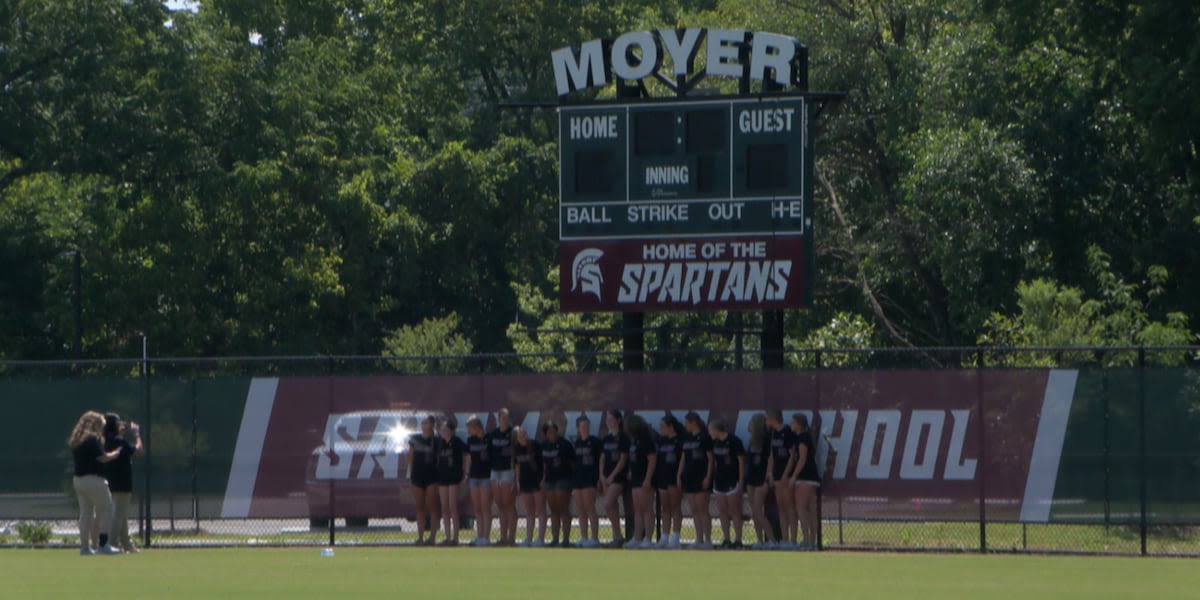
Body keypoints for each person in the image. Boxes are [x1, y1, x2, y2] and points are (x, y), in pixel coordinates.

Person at [69, 411, 122, 555]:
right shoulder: (92, 439)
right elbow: (102, 457)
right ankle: (103, 545)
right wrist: (115, 454)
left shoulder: (77, 439)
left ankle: (85, 548)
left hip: (78, 481)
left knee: (85, 513)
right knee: (107, 509)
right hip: (94, 479)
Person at [102, 413, 142, 553]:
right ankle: (112, 543)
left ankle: (126, 543)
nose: (122, 425)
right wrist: (136, 434)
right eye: (119, 423)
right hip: (122, 481)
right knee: (119, 513)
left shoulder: (106, 439)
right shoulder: (118, 441)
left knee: (122, 513)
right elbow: (138, 450)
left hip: (111, 480)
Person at [678, 411, 714, 549]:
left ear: (693, 423)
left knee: (702, 509)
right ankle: (698, 539)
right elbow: (683, 458)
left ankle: (708, 540)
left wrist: (707, 477)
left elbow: (711, 460)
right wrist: (679, 475)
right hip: (688, 477)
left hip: (701, 476)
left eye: (687, 423)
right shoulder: (686, 438)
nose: (685, 426)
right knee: (694, 509)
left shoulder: (705, 438)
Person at [709, 419, 746, 549]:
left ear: (716, 430)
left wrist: (741, 481)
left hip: (732, 480)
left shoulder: (734, 441)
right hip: (719, 480)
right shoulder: (715, 443)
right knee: (722, 511)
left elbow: (741, 462)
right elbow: (715, 462)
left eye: (711, 430)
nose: (710, 433)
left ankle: (738, 540)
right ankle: (726, 539)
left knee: (735, 511)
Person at [765, 409, 797, 549]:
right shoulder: (774, 433)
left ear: (773, 418)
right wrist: (770, 473)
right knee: (781, 508)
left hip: (786, 476)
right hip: (777, 476)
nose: (766, 421)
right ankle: (785, 539)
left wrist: (786, 474)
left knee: (790, 507)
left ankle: (793, 541)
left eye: (768, 418)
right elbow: (772, 455)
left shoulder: (788, 432)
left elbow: (792, 456)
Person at [624, 415, 657, 549]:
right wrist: (631, 470)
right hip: (636, 478)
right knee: (637, 510)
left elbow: (652, 459)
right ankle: (637, 537)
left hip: (645, 478)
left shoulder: (646, 440)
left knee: (647, 509)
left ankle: (648, 538)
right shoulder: (633, 441)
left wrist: (648, 479)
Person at [598, 409, 629, 548]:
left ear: (618, 420)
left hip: (618, 477)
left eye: (611, 419)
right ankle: (617, 536)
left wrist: (612, 476)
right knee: (612, 507)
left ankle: (618, 534)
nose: (609, 422)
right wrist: (602, 475)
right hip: (606, 477)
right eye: (607, 419)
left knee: (607, 503)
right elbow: (602, 458)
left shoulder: (623, 437)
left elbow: (623, 459)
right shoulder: (606, 438)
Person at [407, 414, 440, 545]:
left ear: (432, 425)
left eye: (426, 423)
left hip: (432, 477)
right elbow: (410, 456)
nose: (424, 425)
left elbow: (438, 459)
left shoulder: (436, 441)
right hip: (417, 476)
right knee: (420, 508)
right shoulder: (415, 439)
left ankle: (432, 538)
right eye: (423, 423)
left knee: (433, 508)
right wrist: (411, 473)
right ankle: (420, 538)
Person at [540, 422, 574, 547]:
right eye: (549, 432)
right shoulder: (543, 446)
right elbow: (542, 465)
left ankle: (566, 539)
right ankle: (555, 539)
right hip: (549, 481)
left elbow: (572, 464)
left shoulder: (565, 445)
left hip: (563, 480)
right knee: (553, 510)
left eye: (553, 431)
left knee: (564, 509)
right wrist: (543, 479)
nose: (552, 434)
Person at [744, 413, 775, 549]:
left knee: (757, 510)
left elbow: (770, 459)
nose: (749, 424)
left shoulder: (767, 439)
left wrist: (768, 476)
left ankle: (772, 540)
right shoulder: (751, 440)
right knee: (753, 511)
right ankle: (759, 540)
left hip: (761, 479)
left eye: (751, 421)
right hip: (751, 478)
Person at [571, 415, 603, 548]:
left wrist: (599, 478)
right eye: (582, 426)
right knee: (581, 510)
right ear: (578, 428)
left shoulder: (595, 442)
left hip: (590, 479)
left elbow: (600, 461)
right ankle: (584, 537)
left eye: (587, 426)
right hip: (578, 479)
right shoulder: (577, 443)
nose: (585, 429)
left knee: (590, 508)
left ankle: (594, 538)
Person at [488, 409, 518, 546]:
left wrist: (516, 476)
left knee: (509, 504)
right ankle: (502, 537)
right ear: (498, 419)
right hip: (495, 471)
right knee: (500, 505)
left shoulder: (513, 433)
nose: (504, 421)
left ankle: (511, 538)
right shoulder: (493, 434)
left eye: (506, 418)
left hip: (508, 471)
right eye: (502, 418)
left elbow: (517, 454)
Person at [791, 414, 821, 550]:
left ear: (799, 424)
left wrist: (793, 476)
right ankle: (813, 541)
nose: (791, 424)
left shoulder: (802, 438)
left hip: (805, 477)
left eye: (793, 422)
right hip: (812, 477)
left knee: (802, 508)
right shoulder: (804, 437)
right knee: (810, 510)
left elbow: (802, 459)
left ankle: (807, 540)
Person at [435, 418, 467, 545]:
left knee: (453, 507)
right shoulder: (440, 443)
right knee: (444, 508)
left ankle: (455, 538)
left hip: (454, 477)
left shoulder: (457, 442)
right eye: (442, 430)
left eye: (446, 429)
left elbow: (467, 454)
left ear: (451, 431)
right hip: (442, 477)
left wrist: (465, 472)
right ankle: (447, 537)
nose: (443, 432)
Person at [653, 415, 684, 549]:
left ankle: (675, 537)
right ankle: (664, 537)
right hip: (662, 477)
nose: (660, 429)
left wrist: (679, 476)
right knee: (665, 508)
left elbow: (682, 460)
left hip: (674, 477)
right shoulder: (661, 441)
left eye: (663, 427)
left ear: (671, 427)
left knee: (675, 507)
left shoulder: (680, 441)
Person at [513, 426, 546, 547]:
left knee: (540, 510)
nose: (522, 437)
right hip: (524, 482)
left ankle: (541, 539)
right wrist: (517, 482)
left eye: (524, 434)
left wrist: (543, 479)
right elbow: (517, 466)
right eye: (519, 435)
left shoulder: (535, 445)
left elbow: (544, 463)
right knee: (529, 511)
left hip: (537, 481)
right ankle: (528, 538)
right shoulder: (517, 448)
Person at [465, 416, 492, 546]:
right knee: (477, 508)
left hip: (486, 477)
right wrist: (466, 474)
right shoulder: (470, 440)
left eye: (469, 428)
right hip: (474, 477)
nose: (468, 431)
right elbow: (469, 459)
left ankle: (486, 537)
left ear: (476, 427)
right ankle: (479, 536)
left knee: (485, 507)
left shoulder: (489, 439)